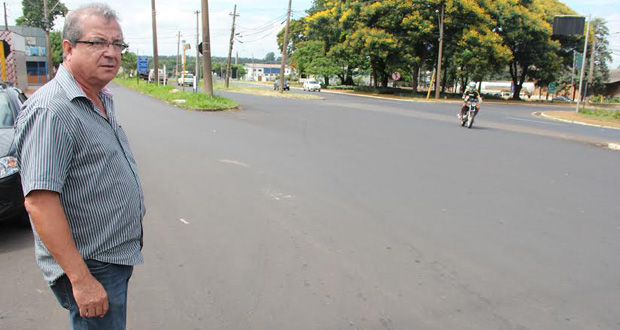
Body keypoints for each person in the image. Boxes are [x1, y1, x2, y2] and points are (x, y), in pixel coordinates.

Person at [14, 3, 145, 330]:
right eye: (98, 42)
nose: (111, 53)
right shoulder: (52, 110)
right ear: (69, 48)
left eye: (117, 44)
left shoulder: (99, 98)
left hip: (109, 260)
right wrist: (82, 280)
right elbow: (40, 203)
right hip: (91, 266)